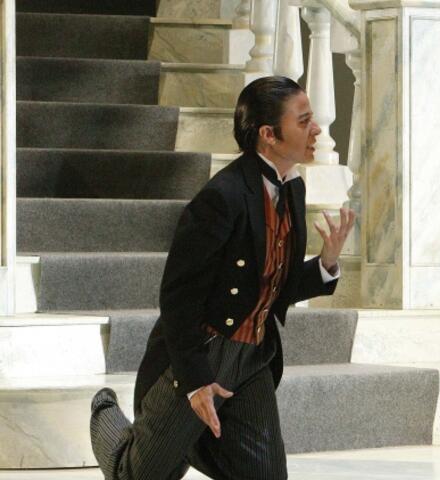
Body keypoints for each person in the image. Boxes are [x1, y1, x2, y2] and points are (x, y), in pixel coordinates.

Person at [90, 76, 355, 480]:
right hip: (203, 352)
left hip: (253, 357)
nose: (316, 130)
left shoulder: (293, 189)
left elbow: (272, 286)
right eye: (303, 121)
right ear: (268, 135)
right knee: (137, 475)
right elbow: (178, 297)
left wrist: (326, 263)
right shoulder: (222, 196)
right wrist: (196, 381)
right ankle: (105, 410)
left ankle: (184, 438)